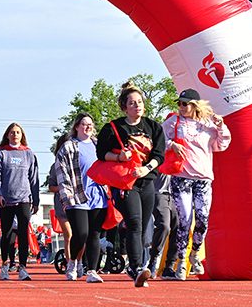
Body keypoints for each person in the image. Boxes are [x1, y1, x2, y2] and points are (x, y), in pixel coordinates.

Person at [95, 82, 165, 288]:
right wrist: (119, 157)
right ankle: (136, 267)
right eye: (132, 103)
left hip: (147, 180)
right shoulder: (113, 128)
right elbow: (101, 154)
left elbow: (159, 155)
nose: (137, 106)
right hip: (125, 183)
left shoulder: (153, 127)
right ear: (124, 107)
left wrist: (146, 168)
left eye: (140, 102)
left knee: (143, 226)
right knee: (134, 222)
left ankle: (136, 266)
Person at [163, 88, 231, 280]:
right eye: (179, 103)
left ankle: (195, 253)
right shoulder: (174, 122)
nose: (181, 107)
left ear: (195, 105)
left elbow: (222, 144)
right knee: (184, 220)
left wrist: (221, 126)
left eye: (185, 104)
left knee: (203, 219)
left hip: (203, 179)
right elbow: (159, 138)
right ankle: (181, 261)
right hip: (182, 178)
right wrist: (172, 145)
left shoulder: (207, 124)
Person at [56, 113, 108, 283]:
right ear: (77, 126)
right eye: (84, 124)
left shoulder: (98, 145)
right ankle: (72, 262)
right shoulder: (68, 147)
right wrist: (67, 195)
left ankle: (92, 270)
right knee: (81, 233)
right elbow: (61, 171)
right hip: (77, 195)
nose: (88, 127)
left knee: (95, 234)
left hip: (97, 195)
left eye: (90, 124)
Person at [0, 122, 39, 281]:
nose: (15, 134)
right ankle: (5, 266)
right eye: (12, 132)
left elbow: (34, 178)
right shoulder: (1, 153)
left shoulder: (28, 154)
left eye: (18, 132)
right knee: (7, 234)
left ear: (22, 135)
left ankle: (22, 268)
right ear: (7, 135)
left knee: (24, 233)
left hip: (24, 198)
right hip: (6, 199)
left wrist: (36, 199)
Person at [48, 135, 74, 270]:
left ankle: (81, 262)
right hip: (62, 205)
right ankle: (70, 263)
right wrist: (63, 188)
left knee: (81, 234)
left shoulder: (78, 164)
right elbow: (51, 187)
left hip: (78, 204)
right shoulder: (55, 166)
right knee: (68, 234)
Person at [147, 171, 178, 279]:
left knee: (179, 229)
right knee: (164, 226)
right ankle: (153, 259)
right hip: (160, 192)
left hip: (178, 195)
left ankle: (169, 266)